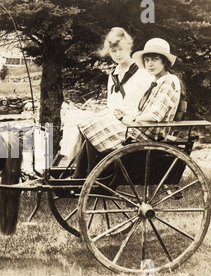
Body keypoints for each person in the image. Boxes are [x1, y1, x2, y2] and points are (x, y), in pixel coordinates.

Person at [74, 38, 182, 177]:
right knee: (90, 124)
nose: (150, 64)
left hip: (147, 133)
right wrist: (124, 114)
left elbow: (154, 116)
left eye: (155, 59)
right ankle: (82, 175)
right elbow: (145, 110)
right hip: (142, 128)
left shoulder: (168, 81)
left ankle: (93, 177)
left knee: (92, 127)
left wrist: (130, 119)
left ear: (164, 61)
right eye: (147, 60)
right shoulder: (157, 81)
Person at [60, 27, 152, 160]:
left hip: (130, 120)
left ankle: (80, 168)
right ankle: (71, 160)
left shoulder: (142, 72)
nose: (118, 54)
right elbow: (111, 104)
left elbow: (148, 102)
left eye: (121, 49)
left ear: (128, 48)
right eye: (114, 51)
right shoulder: (113, 75)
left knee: (89, 125)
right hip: (113, 116)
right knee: (73, 117)